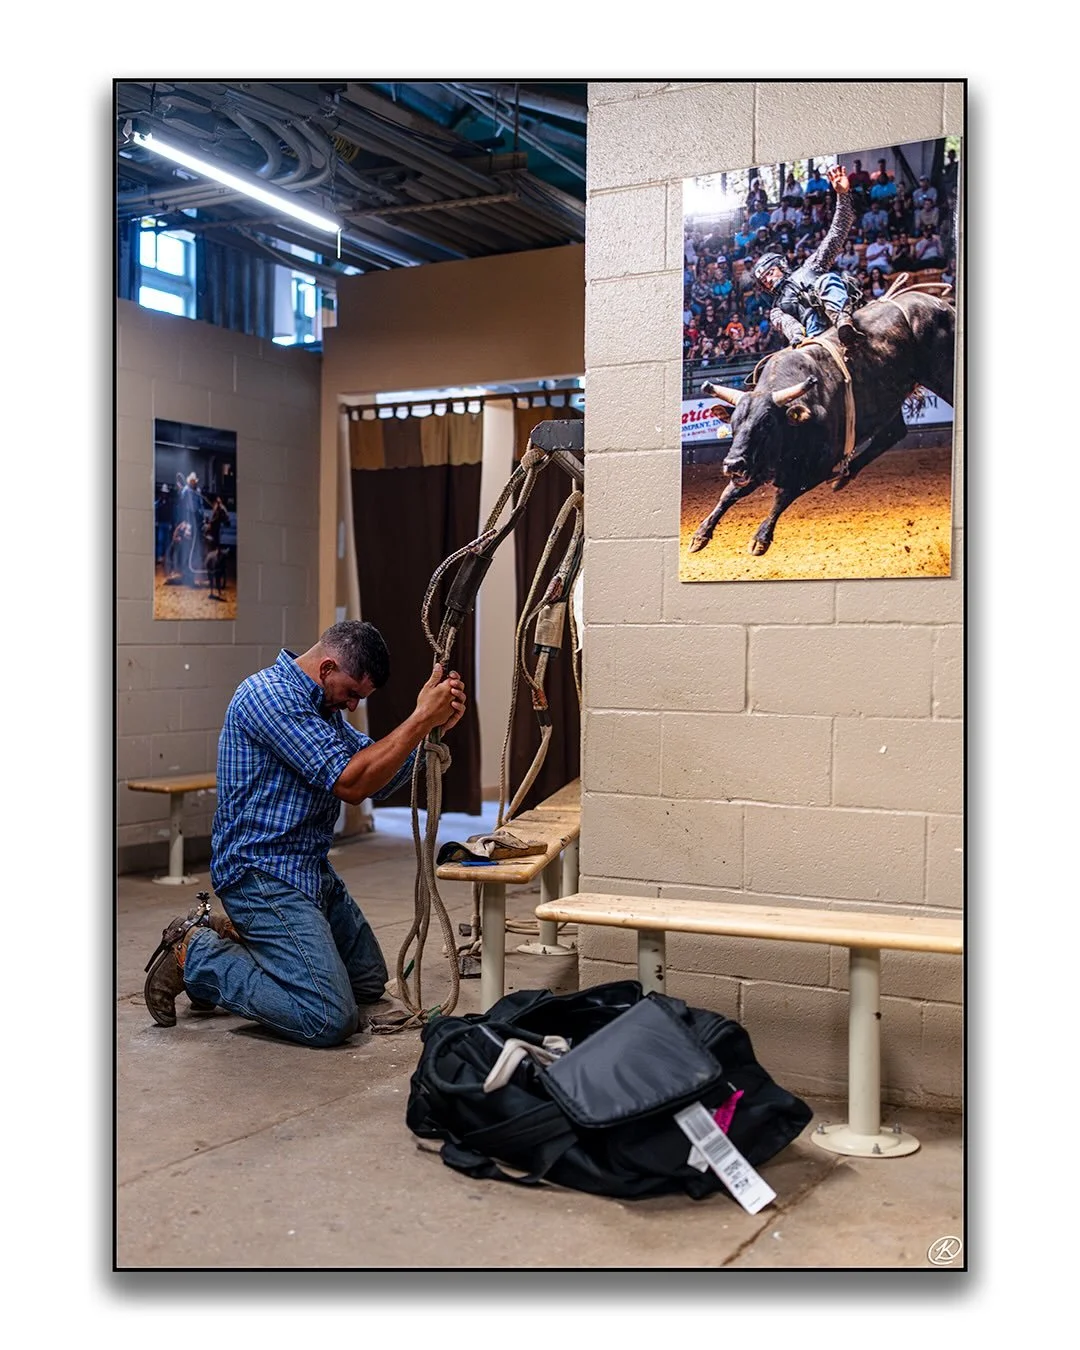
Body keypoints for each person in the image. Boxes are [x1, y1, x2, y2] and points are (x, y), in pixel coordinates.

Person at [142, 621, 467, 1044]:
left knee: (367, 981)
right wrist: (420, 718)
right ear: (327, 667)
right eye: (351, 693)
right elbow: (351, 784)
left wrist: (427, 734)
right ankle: (198, 954)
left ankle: (251, 940)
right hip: (261, 874)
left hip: (307, 870)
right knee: (327, 1016)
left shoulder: (322, 709)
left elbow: (374, 776)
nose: (353, 705)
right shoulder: (271, 697)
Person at [751, 162, 862, 347]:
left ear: (781, 266)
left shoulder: (812, 265)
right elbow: (785, 323)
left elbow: (837, 232)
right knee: (784, 317)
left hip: (843, 315)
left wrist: (842, 195)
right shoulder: (777, 308)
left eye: (769, 273)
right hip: (814, 336)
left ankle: (844, 323)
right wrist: (797, 337)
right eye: (764, 280)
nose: (768, 280)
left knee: (827, 279)